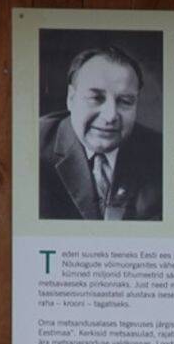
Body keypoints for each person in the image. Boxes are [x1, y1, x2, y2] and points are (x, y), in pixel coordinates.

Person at [39, 44, 162, 221]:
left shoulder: (161, 152)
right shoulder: (33, 145)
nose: (110, 115)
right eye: (96, 98)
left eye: (125, 101)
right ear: (71, 99)